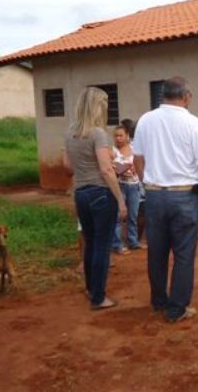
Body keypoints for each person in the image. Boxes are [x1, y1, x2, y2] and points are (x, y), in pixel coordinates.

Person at [132, 76, 198, 323]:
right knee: (184, 253)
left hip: (155, 194)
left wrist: (148, 184)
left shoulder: (146, 120)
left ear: (162, 95)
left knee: (156, 251)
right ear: (186, 96)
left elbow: (138, 159)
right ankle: (177, 308)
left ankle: (159, 301)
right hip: (184, 195)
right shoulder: (193, 123)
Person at [62, 86, 127, 310]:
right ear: (98, 107)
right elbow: (107, 170)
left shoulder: (70, 132)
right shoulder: (98, 133)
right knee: (102, 245)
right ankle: (99, 297)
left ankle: (91, 288)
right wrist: (120, 199)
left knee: (90, 243)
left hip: (80, 193)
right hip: (100, 192)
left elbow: (67, 166)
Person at [111, 124, 143, 254]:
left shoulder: (134, 148)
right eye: (116, 136)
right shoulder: (112, 151)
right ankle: (117, 244)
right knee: (118, 216)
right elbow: (111, 169)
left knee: (133, 215)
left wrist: (137, 168)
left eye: (121, 135)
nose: (118, 138)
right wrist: (120, 170)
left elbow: (141, 162)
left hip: (134, 185)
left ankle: (133, 241)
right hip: (120, 185)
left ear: (127, 136)